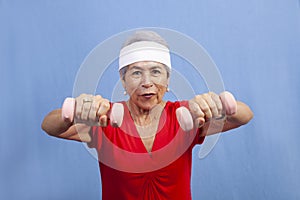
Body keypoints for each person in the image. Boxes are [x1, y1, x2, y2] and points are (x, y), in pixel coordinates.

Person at [42, 30, 253, 200]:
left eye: (156, 71)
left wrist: (218, 104)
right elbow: (49, 126)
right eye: (136, 72)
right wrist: (76, 109)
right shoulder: (104, 118)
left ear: (168, 80)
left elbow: (244, 116)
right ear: (123, 81)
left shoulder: (186, 115)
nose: (147, 82)